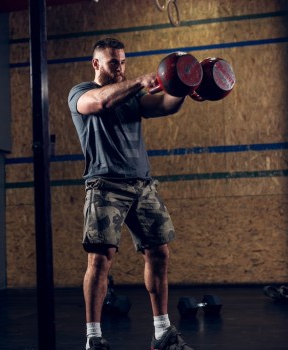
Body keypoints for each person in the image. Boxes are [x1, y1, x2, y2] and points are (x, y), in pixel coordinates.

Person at [68, 37, 193, 350]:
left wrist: (184, 88)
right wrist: (140, 80)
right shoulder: (81, 94)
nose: (120, 68)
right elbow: (101, 102)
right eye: (114, 63)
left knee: (159, 252)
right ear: (96, 64)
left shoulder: (133, 98)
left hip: (142, 183)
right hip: (105, 184)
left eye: (123, 62)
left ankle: (162, 333)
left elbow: (165, 105)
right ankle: (93, 338)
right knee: (100, 260)